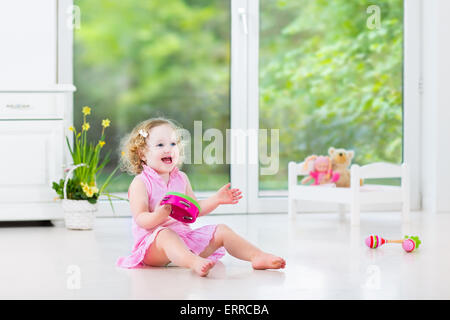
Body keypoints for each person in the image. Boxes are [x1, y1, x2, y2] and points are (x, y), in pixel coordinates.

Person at [116, 118, 286, 276]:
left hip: (185, 242)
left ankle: (257, 256)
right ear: (142, 154)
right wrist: (159, 215)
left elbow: (195, 209)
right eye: (160, 144)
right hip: (154, 248)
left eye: (173, 143)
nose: (168, 148)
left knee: (222, 230)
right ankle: (193, 262)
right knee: (166, 234)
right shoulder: (141, 183)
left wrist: (216, 199)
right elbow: (140, 218)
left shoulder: (181, 178)